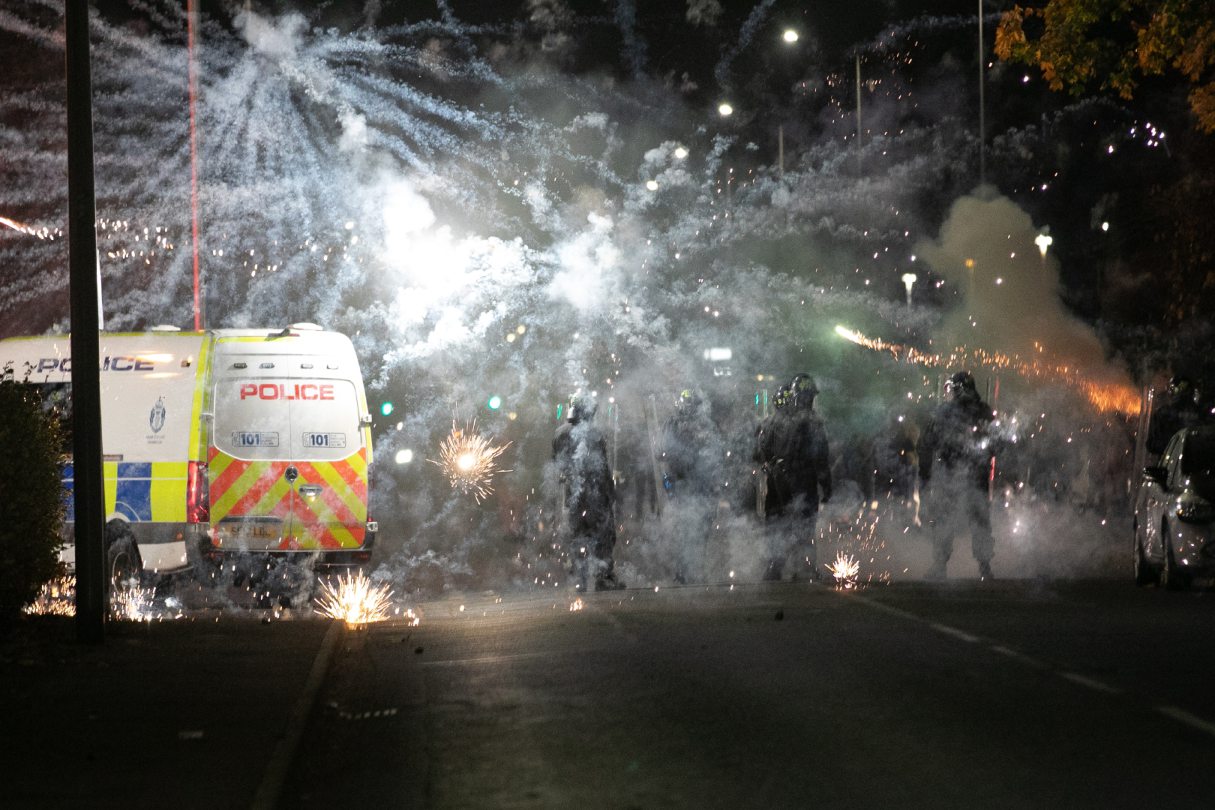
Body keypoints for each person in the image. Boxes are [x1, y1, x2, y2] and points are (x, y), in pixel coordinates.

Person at [917, 371, 997, 581]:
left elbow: (926, 444)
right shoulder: (984, 411)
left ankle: (941, 566)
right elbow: (996, 444)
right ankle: (984, 567)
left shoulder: (943, 412)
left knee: (945, 519)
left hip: (950, 474)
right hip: (975, 474)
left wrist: (925, 477)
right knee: (979, 519)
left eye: (951, 389)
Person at [754, 374, 832, 581]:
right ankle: (803, 567)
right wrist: (826, 483)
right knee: (803, 523)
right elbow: (821, 455)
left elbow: (760, 451)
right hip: (803, 479)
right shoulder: (813, 421)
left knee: (777, 523)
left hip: (777, 479)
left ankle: (774, 568)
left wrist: (770, 467)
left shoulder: (775, 420)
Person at [553, 393, 624, 591]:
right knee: (603, 535)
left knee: (577, 534)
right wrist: (610, 492)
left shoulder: (560, 433)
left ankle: (579, 578)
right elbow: (601, 466)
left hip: (573, 493)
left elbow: (557, 464)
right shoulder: (594, 433)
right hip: (595, 493)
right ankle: (603, 577)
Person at [659, 388, 722, 582]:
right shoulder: (705, 425)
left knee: (685, 528)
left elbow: (662, 451)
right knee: (698, 528)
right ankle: (692, 570)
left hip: (687, 484)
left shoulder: (674, 423)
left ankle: (684, 571)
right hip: (693, 484)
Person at [1147, 374, 1205, 457]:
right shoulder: (1202, 413)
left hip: (1172, 465)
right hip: (1194, 464)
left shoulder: (1163, 413)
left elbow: (1151, 445)